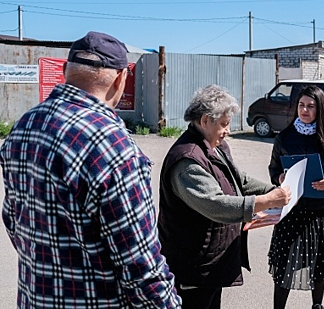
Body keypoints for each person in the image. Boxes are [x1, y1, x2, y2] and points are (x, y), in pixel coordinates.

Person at [0, 31, 181, 308]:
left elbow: (13, 219)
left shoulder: (24, 126)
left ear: (64, 70)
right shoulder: (113, 145)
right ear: (121, 78)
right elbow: (142, 267)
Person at [157, 84, 291, 309]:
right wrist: (267, 201)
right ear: (205, 121)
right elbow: (216, 205)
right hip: (193, 268)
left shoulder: (215, 146)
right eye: (224, 124)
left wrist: (271, 190)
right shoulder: (187, 161)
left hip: (211, 265)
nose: (227, 130)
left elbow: (240, 180)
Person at [268, 85, 324, 309]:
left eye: (311, 106)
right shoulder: (285, 137)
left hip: (322, 211)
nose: (305, 110)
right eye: (301, 105)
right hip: (292, 210)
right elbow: (273, 168)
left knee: (319, 265)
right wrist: (280, 178)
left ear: (320, 109)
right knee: (285, 262)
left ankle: (317, 305)